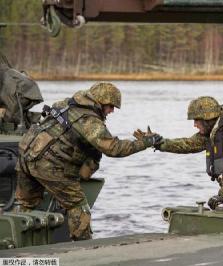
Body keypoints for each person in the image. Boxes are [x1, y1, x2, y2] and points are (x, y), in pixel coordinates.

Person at [15, 82, 161, 240]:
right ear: (100, 101)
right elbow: (114, 148)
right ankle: (83, 250)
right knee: (79, 207)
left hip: (25, 157)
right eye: (110, 106)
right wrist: (146, 142)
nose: (112, 111)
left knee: (25, 206)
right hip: (48, 165)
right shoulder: (89, 120)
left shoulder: (67, 104)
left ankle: (15, 244)